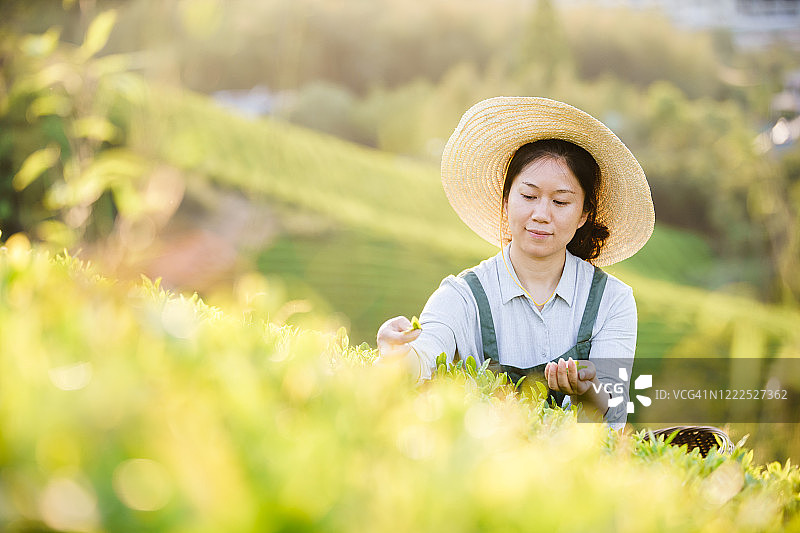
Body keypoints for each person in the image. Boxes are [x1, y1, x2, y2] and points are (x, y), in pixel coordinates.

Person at [376, 97, 654, 427]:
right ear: (506, 200)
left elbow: (614, 419)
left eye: (560, 201)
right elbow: (420, 362)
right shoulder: (463, 296)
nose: (541, 215)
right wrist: (394, 353)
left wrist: (586, 391)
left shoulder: (612, 302)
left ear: (584, 214)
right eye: (528, 196)